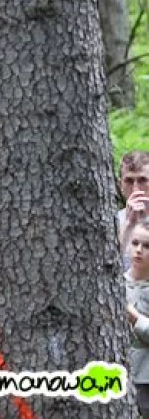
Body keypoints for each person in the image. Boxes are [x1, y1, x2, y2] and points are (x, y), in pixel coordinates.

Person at [124, 221, 149, 417]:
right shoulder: (115, 282)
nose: (139, 250)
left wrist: (134, 318)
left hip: (145, 381)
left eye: (146, 246)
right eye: (135, 243)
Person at [118, 151, 149, 268]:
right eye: (129, 181)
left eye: (142, 180)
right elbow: (106, 265)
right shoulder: (109, 221)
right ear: (120, 185)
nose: (136, 189)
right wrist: (128, 224)